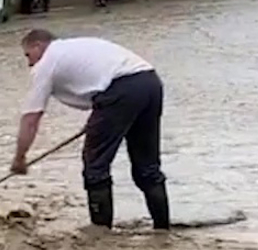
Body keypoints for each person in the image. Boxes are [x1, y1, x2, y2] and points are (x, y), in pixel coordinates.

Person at [11, 28, 169, 230]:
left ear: (38, 45)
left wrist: (19, 157)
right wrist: (101, 118)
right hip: (149, 82)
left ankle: (100, 236)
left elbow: (31, 118)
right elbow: (99, 79)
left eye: (28, 55)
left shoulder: (47, 63)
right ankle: (163, 230)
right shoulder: (77, 46)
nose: (29, 63)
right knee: (147, 167)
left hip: (120, 91)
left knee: (95, 166)